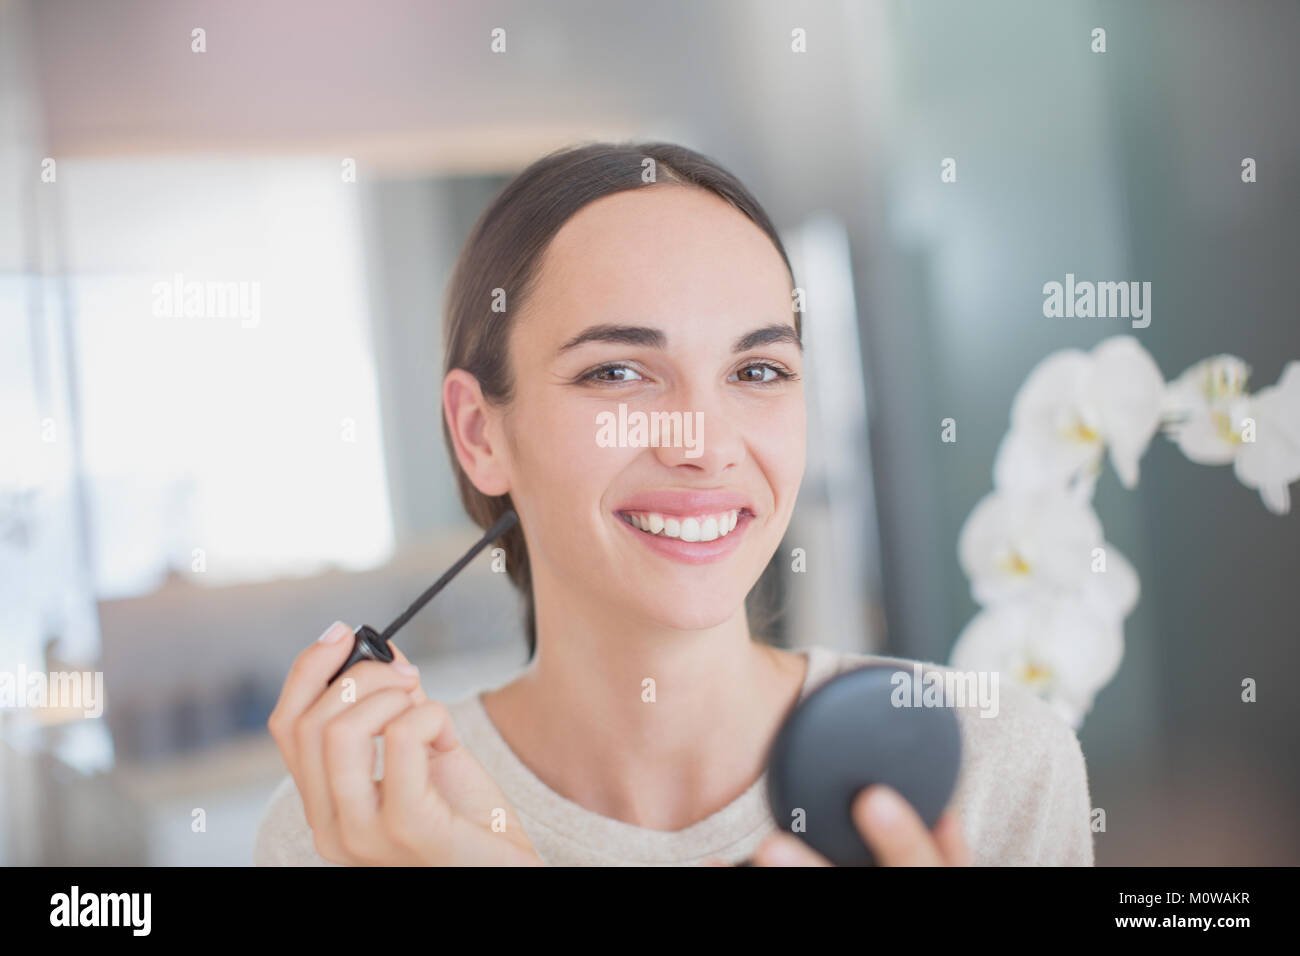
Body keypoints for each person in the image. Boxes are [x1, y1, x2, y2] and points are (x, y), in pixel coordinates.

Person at [255, 141, 1093, 866]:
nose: (706, 443)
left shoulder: (995, 769)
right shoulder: (354, 823)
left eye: (756, 372)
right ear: (480, 433)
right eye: (617, 373)